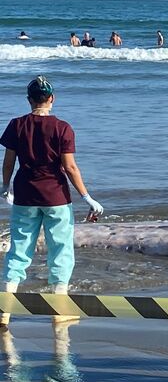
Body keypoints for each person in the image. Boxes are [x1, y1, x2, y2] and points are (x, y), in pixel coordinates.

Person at [0, 76, 104, 327]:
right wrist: (87, 197)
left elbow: (8, 163)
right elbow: (69, 167)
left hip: (25, 194)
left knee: (19, 248)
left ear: (29, 100)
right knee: (60, 249)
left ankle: (5, 311)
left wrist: (5, 188)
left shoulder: (16, 125)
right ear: (52, 99)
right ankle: (59, 309)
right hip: (56, 196)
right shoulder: (62, 127)